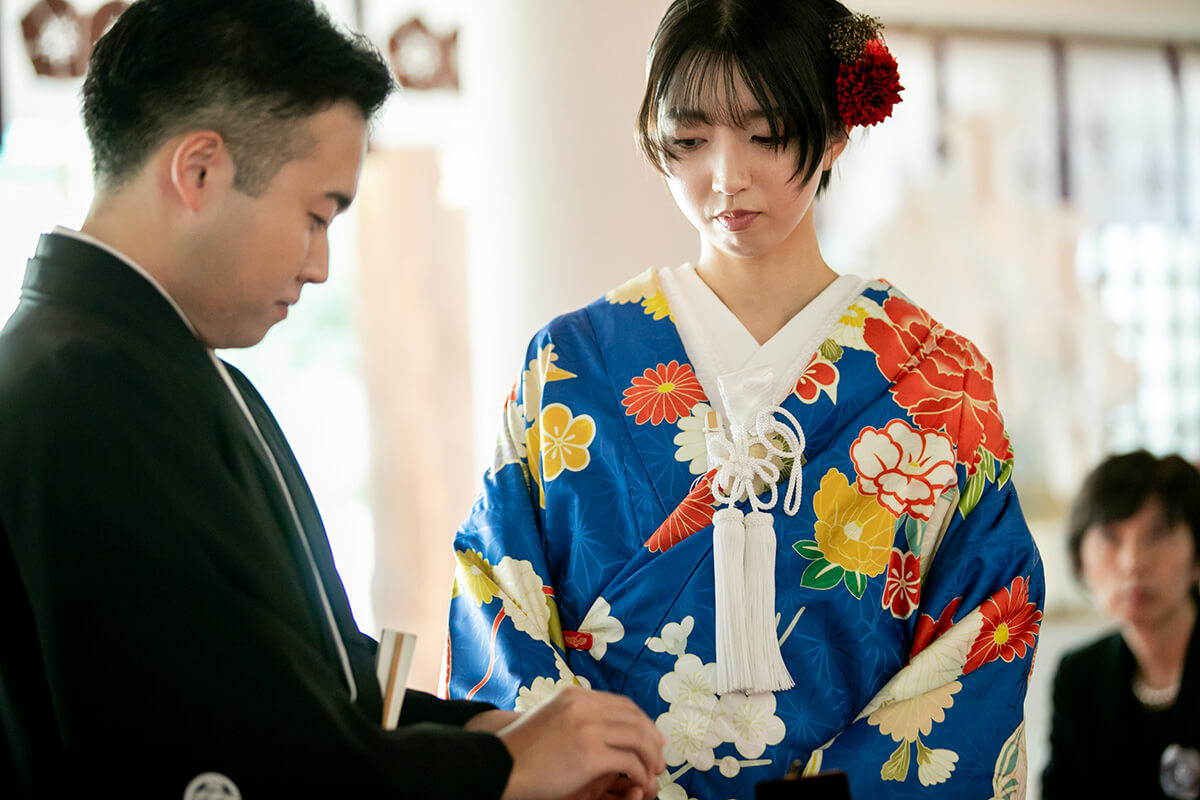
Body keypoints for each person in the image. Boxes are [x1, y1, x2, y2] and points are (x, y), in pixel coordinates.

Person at [0, 1, 666, 798]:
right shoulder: (78, 389)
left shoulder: (157, 367)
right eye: (316, 215)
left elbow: (303, 675)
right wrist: (498, 769)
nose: (318, 266)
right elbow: (210, 741)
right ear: (200, 170)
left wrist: (488, 733)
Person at [444, 1, 1044, 798]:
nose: (726, 176)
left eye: (765, 135)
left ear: (835, 130)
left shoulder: (937, 378)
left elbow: (984, 626)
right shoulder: (571, 364)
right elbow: (498, 590)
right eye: (690, 141)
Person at [1042, 451, 1200, 799]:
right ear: (1080, 559)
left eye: (1158, 533)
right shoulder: (1078, 677)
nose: (1132, 562)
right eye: (1110, 537)